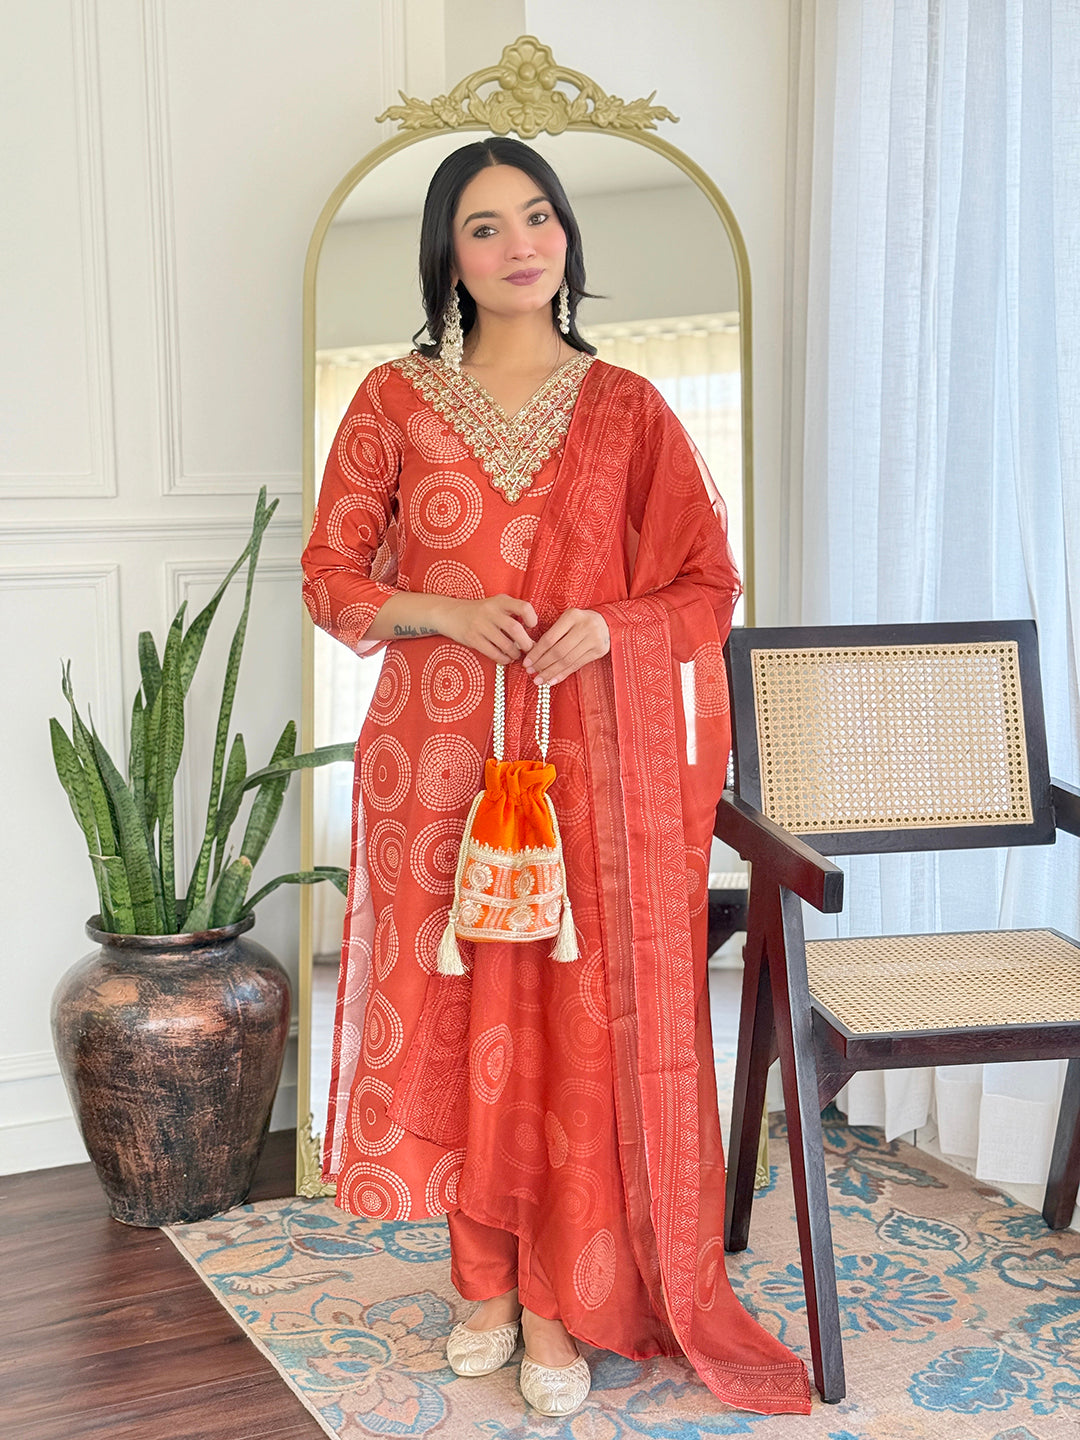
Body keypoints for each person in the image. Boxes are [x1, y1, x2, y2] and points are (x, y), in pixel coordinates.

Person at [300, 136, 811, 1419]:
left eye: (538, 217)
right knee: (459, 1014)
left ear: (567, 236)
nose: (519, 244)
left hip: (581, 763)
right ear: (449, 255)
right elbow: (331, 577)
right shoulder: (394, 401)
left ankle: (554, 1298)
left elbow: (705, 586)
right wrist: (441, 609)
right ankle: (479, 1283)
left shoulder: (627, 408)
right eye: (485, 226)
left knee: (562, 1025)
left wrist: (612, 628)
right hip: (434, 765)